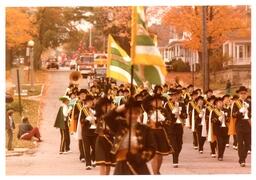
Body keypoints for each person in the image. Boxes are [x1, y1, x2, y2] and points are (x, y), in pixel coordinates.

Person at [104, 98, 157, 175]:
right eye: (130, 113)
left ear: (139, 114)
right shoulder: (119, 125)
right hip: (121, 165)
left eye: (136, 113)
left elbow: (152, 148)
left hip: (139, 165)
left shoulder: (145, 129)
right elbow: (107, 117)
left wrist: (138, 158)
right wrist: (125, 105)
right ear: (125, 114)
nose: (133, 116)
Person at [164, 89, 186, 168]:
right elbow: (165, 116)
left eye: (177, 95)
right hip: (171, 127)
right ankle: (175, 160)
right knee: (174, 145)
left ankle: (176, 155)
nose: (176, 97)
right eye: (174, 95)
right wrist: (173, 113)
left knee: (180, 145)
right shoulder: (167, 105)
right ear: (171, 96)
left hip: (179, 126)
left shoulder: (182, 104)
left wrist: (181, 114)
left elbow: (185, 115)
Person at [95, 97, 116, 175]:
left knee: (108, 163)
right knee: (102, 163)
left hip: (109, 141)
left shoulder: (113, 117)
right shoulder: (99, 115)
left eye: (108, 105)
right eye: (104, 106)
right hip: (101, 140)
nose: (106, 107)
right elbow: (97, 105)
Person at [232, 86, 251, 167]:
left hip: (248, 126)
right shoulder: (236, 103)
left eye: (244, 93)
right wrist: (240, 112)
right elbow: (233, 115)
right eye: (241, 93)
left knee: (248, 144)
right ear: (239, 94)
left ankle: (243, 157)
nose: (243, 95)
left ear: (246, 94)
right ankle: (242, 160)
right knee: (240, 143)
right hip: (239, 126)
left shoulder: (250, 103)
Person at [80, 95, 97, 170]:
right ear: (86, 102)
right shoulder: (83, 110)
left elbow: (99, 119)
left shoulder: (94, 109)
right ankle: (88, 164)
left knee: (95, 147)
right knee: (86, 148)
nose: (91, 103)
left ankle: (93, 159)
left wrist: (95, 118)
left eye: (91, 101)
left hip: (94, 132)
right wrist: (88, 119)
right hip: (86, 132)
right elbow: (81, 121)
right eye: (89, 102)